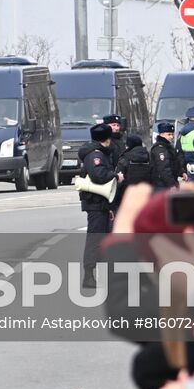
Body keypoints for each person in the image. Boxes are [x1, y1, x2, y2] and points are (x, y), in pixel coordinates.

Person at [78, 122, 117, 289]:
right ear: (106, 139)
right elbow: (98, 175)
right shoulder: (96, 155)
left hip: (101, 203)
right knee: (94, 239)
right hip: (95, 204)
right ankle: (88, 275)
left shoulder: (98, 153)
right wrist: (115, 175)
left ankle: (106, 275)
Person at [149, 121, 180, 188]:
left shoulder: (168, 146)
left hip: (167, 183)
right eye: (169, 134)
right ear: (161, 134)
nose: (172, 137)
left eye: (172, 134)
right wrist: (172, 185)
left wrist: (182, 171)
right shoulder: (159, 148)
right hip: (162, 184)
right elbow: (164, 169)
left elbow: (175, 162)